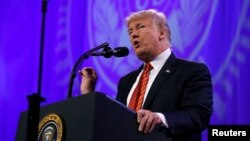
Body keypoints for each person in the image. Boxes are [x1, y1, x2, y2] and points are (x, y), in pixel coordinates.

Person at [80, 9, 213, 141]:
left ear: (162, 33)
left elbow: (199, 115)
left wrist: (160, 118)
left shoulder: (191, 71)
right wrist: (88, 93)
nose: (133, 35)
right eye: (130, 31)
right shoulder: (126, 81)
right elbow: (115, 123)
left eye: (140, 27)